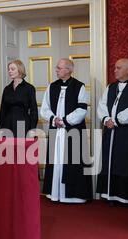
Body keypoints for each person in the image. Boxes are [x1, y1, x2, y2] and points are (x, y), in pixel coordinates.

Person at [96, 58, 128, 207]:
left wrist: (118, 120)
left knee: (127, 162)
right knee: (111, 161)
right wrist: (106, 119)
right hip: (111, 131)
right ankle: (110, 195)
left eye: (118, 68)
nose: (115, 70)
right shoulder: (111, 87)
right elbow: (102, 104)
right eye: (115, 67)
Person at [40, 58, 92, 203]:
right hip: (56, 129)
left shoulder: (79, 87)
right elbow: (44, 108)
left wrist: (65, 121)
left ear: (69, 70)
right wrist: (53, 119)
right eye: (57, 68)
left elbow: (82, 110)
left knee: (72, 160)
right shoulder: (52, 86)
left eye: (59, 68)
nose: (56, 70)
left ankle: (74, 196)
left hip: (72, 130)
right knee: (56, 159)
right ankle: (55, 193)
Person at [0, 60, 38, 137]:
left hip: (23, 123)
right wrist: (2, 127)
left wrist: (32, 129)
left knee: (21, 148)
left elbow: (34, 111)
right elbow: (3, 110)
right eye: (9, 69)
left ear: (20, 70)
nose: (10, 71)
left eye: (12, 69)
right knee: (8, 148)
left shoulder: (29, 88)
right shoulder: (7, 89)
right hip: (8, 124)